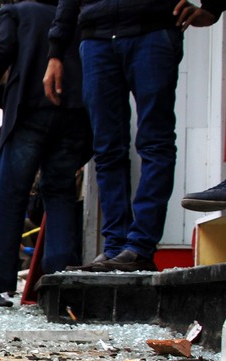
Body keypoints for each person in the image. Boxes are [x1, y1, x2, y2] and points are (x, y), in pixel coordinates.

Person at [44, 0, 225, 272]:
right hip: (97, 35)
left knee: (154, 141)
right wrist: (55, 51)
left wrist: (213, 8)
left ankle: (139, 246)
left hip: (152, 27)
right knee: (106, 149)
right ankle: (116, 245)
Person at [0, 0, 92, 307]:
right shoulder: (74, 15)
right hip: (72, 110)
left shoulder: (16, 13)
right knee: (59, 191)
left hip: (29, 108)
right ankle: (60, 279)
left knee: (11, 193)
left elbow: (2, 50)